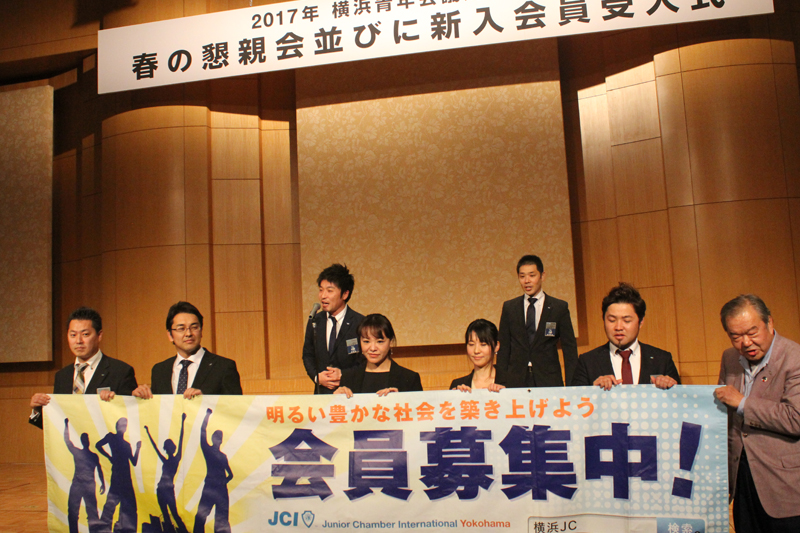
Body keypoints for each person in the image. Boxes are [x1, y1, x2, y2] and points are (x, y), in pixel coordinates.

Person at [714, 294, 800, 533]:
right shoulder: (730, 358)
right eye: (736, 336)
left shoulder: (794, 358)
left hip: (784, 486)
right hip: (742, 481)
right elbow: (723, 416)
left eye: (752, 332)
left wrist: (743, 403)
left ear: (769, 323)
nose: (746, 343)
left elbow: (796, 418)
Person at [29, 307, 137, 429]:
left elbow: (132, 418)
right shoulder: (62, 376)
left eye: (85, 334)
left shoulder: (120, 371)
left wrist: (114, 404)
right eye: (73, 335)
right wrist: (37, 410)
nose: (78, 341)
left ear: (99, 335)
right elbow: (57, 424)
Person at [571, 283, 680, 389]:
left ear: (641, 322)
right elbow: (575, 399)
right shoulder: (587, 362)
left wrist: (671, 388)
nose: (618, 327)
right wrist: (593, 390)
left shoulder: (662, 360)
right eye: (612, 320)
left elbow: (680, 398)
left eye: (627, 320)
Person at [495, 255, 578, 388]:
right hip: (516, 380)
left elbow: (570, 350)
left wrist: (572, 386)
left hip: (549, 380)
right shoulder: (510, 308)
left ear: (542, 276)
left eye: (532, 275)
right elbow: (503, 349)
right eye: (522, 276)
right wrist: (501, 383)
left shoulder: (558, 307)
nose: (527, 281)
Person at [132, 301, 242, 399]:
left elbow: (235, 409)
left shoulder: (223, 367)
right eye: (181, 328)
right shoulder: (160, 370)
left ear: (201, 331)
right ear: (170, 335)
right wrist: (139, 398)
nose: (188, 333)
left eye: (194, 327)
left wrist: (206, 401)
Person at [302, 264, 365, 394]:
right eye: (321, 290)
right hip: (322, 394)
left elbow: (365, 361)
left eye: (329, 291)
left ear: (345, 294)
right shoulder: (315, 321)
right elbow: (308, 354)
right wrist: (316, 377)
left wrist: (343, 375)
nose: (323, 296)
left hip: (351, 393)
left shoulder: (360, 322)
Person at [335, 314, 422, 397]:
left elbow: (419, 406)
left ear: (391, 342)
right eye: (366, 341)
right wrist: (336, 399)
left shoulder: (409, 378)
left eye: (380, 342)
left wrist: (400, 400)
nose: (373, 348)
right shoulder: (348, 377)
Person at [144, 413, 188, 533]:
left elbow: (181, 440)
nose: (167, 449)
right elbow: (155, 448)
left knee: (174, 514)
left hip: (168, 490)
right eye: (166, 447)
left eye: (169, 447)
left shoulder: (176, 459)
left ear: (172, 448)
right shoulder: (166, 460)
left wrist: (182, 422)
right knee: (165, 515)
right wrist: (148, 433)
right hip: (161, 490)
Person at [96, 417, 141, 533]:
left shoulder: (126, 444)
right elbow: (98, 445)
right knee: (111, 503)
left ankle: (122, 528)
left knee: (128, 505)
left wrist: (138, 448)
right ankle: (103, 529)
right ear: (117, 426)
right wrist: (109, 457)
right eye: (121, 424)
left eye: (125, 425)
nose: (123, 427)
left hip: (127, 476)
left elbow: (134, 462)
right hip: (117, 474)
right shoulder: (111, 437)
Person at [194, 408, 233, 533]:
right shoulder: (208, 450)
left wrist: (224, 481)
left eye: (219, 438)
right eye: (216, 437)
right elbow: (202, 432)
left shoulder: (223, 456)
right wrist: (207, 415)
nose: (218, 439)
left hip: (221, 489)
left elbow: (231, 474)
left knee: (222, 519)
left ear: (221, 441)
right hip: (210, 487)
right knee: (201, 516)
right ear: (212, 438)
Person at [64, 418, 105, 533]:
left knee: (91, 512)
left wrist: (102, 483)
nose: (86, 441)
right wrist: (66, 426)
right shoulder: (81, 453)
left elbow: (100, 470)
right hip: (80, 484)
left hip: (86, 484)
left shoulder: (91, 455)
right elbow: (68, 441)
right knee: (75, 511)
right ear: (84, 441)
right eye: (85, 439)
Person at [451, 319, 504, 392]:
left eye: (483, 344)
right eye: (471, 344)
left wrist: (506, 394)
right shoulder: (458, 385)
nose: (476, 351)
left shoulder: (511, 383)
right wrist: (456, 396)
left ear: (496, 346)